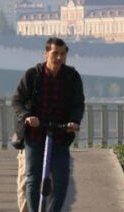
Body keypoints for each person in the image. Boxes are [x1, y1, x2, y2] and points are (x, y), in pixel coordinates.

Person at [12, 37, 85, 212]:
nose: (59, 58)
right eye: (55, 54)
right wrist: (28, 116)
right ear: (46, 54)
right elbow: (17, 101)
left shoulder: (72, 77)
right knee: (33, 179)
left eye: (63, 54)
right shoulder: (32, 75)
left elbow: (78, 103)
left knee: (61, 182)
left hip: (60, 135)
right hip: (35, 134)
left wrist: (74, 121)